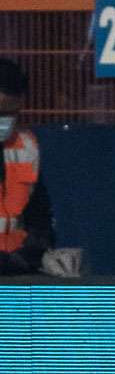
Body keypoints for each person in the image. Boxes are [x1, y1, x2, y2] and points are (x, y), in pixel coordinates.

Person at [0, 59, 54, 275]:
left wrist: (32, 255)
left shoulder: (27, 147)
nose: (5, 121)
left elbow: (39, 218)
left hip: (16, 272)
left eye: (12, 113)